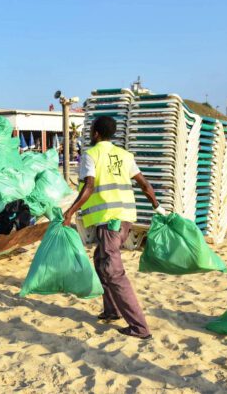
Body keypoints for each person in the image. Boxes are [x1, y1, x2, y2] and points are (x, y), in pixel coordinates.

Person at [63, 115, 163, 340]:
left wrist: (69, 212)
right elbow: (144, 184)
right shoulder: (125, 155)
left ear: (96, 133)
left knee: (113, 272)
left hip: (109, 221)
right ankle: (111, 310)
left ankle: (139, 327)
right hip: (125, 219)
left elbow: (89, 186)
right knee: (101, 262)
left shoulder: (91, 155)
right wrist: (158, 207)